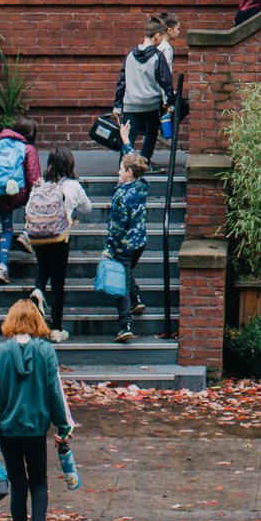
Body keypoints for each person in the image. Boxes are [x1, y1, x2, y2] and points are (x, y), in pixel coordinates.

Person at [0, 297, 75, 521]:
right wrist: (64, 427)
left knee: (18, 485)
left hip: (7, 432)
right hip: (35, 431)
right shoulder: (46, 352)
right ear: (36, 321)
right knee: (39, 482)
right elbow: (56, 392)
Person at [24, 148, 93, 340]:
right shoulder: (73, 185)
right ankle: (56, 329)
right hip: (59, 237)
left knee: (43, 269)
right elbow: (88, 208)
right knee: (57, 281)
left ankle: (38, 290)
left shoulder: (41, 184)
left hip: (38, 235)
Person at [0, 117, 42, 281]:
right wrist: (37, 197)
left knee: (6, 231)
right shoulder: (28, 149)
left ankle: (1, 268)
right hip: (18, 192)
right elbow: (33, 178)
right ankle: (26, 233)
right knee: (37, 203)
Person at [104, 152, 150, 341]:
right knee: (127, 270)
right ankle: (137, 297)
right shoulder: (142, 185)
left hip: (124, 244)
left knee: (120, 282)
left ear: (129, 172)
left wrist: (109, 248)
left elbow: (117, 227)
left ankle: (126, 324)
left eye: (121, 169)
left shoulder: (121, 196)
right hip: (140, 241)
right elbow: (137, 161)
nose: (118, 172)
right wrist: (125, 141)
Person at [114, 19, 176, 162]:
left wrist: (118, 105)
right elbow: (165, 80)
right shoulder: (157, 56)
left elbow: (122, 81)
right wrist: (170, 102)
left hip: (131, 104)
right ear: (157, 36)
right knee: (151, 132)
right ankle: (145, 161)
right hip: (151, 104)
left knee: (128, 137)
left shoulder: (130, 55)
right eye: (161, 36)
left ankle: (124, 168)